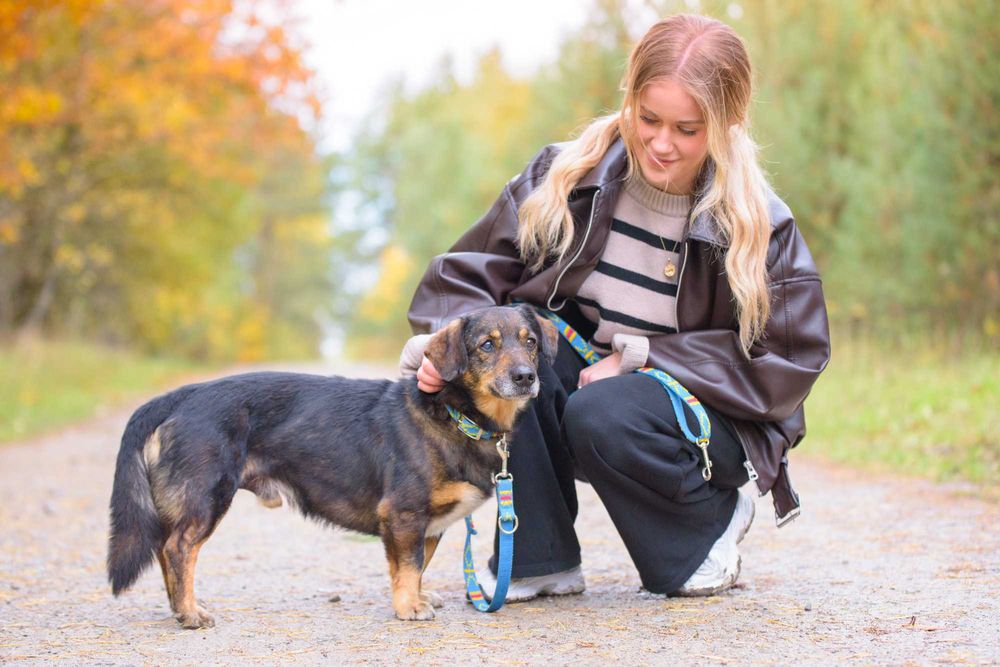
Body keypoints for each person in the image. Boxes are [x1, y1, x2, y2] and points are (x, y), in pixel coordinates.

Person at [399, 13, 830, 599]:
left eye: (687, 128)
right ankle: (539, 555)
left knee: (603, 410)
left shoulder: (762, 226)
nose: (661, 143)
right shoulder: (564, 178)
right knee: (521, 362)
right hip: (590, 390)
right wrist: (443, 344)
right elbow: (470, 274)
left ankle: (709, 526)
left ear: (726, 125)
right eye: (648, 119)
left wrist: (643, 358)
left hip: (708, 421)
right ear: (628, 98)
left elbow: (788, 363)